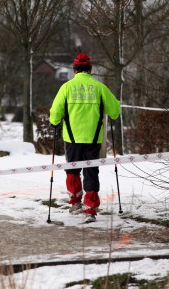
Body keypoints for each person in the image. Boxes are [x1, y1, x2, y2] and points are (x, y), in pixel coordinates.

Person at [49, 53, 121, 223]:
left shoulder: (66, 87)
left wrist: (54, 122)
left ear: (74, 70)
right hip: (93, 138)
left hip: (72, 138)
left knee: (72, 170)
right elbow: (115, 113)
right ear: (90, 69)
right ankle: (90, 208)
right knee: (91, 171)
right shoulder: (99, 87)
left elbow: (55, 113)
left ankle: (75, 203)